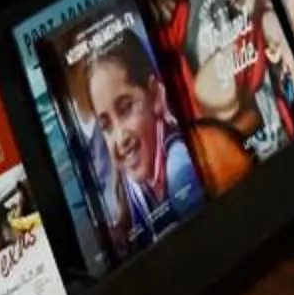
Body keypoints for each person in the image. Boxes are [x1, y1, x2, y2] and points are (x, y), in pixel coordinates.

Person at [79, 28, 205, 242]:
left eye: (126, 108)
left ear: (155, 95)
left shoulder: (180, 169)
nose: (120, 138)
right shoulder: (130, 190)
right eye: (106, 126)